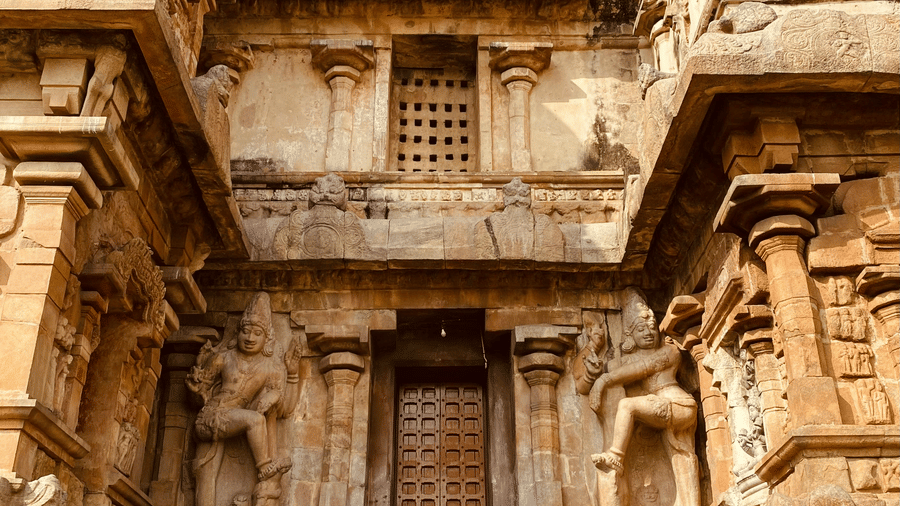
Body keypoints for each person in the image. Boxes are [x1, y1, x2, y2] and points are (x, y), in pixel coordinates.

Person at [584, 288, 700, 506]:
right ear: (629, 336)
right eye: (640, 329)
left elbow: (639, 369)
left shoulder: (669, 352)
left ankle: (616, 456)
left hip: (679, 404)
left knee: (628, 405)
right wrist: (594, 366)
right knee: (677, 457)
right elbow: (615, 369)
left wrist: (604, 381)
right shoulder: (631, 358)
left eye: (652, 328)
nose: (648, 332)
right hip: (664, 406)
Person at [187, 292, 300, 506]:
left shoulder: (270, 368)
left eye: (257, 333)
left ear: (267, 339)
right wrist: (196, 388)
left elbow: (285, 410)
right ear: (237, 333)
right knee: (204, 474)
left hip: (231, 419)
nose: (249, 338)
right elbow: (197, 397)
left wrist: (291, 376)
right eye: (245, 332)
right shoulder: (222, 358)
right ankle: (264, 466)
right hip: (209, 418)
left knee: (205, 478)